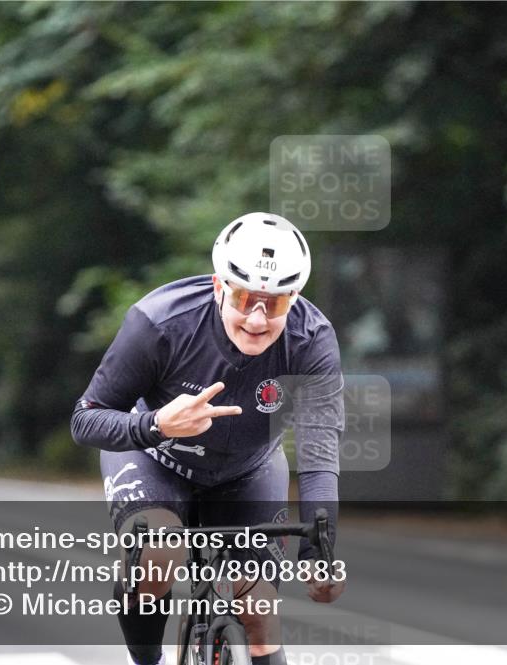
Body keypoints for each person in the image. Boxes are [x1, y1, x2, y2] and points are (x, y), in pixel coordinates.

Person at [71, 212, 346, 665]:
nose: (257, 319)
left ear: (294, 298)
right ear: (219, 286)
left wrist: (321, 551)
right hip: (154, 458)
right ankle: (147, 660)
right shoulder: (160, 322)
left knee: (258, 610)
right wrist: (156, 425)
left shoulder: (311, 341)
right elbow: (86, 420)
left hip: (248, 467)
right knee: (157, 556)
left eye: (274, 304)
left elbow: (319, 453)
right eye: (243, 298)